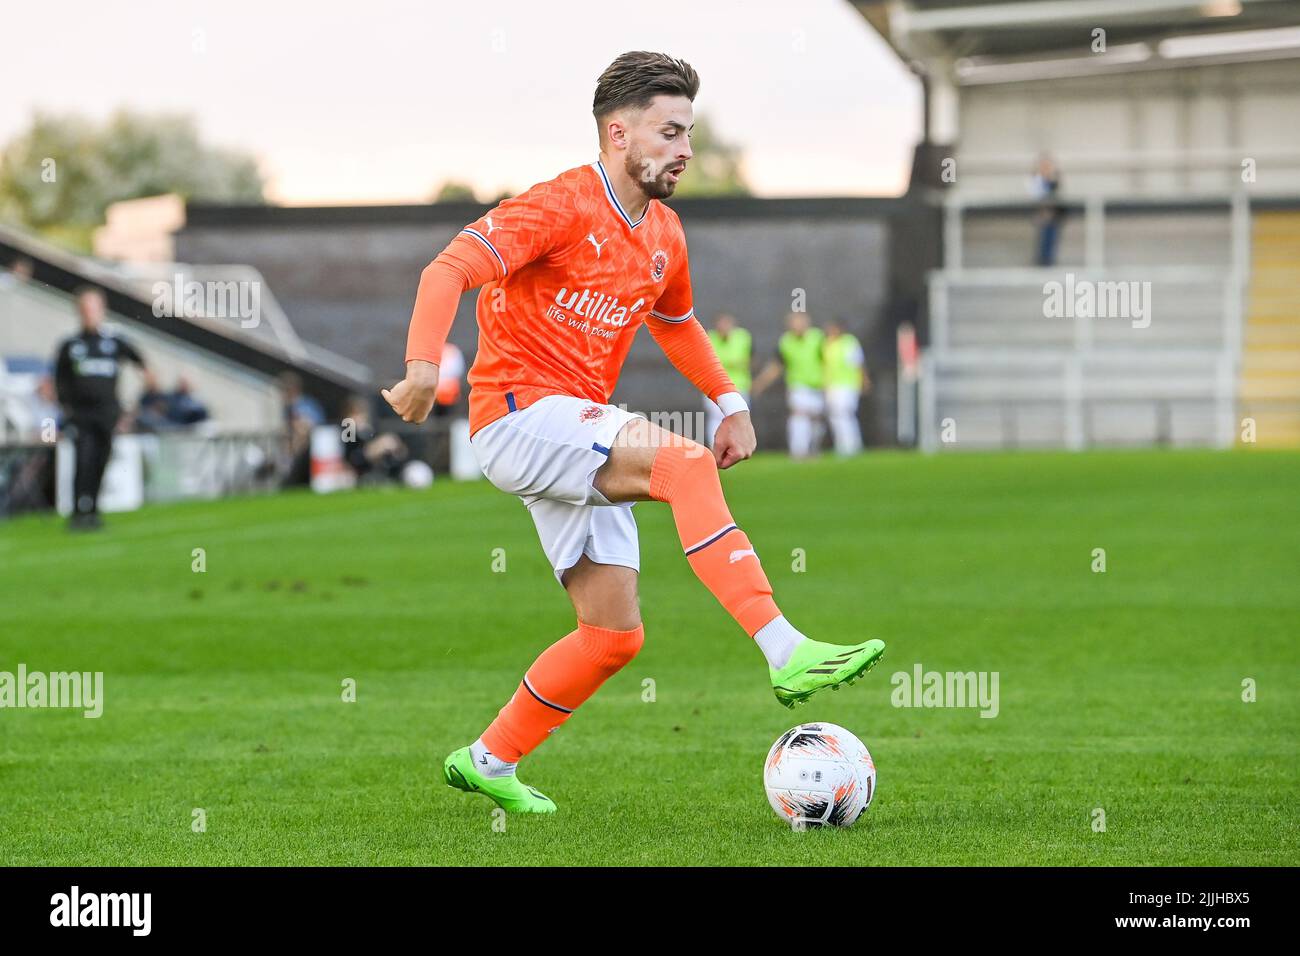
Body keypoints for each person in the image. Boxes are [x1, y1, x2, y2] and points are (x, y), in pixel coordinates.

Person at [382, 51, 886, 815]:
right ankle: (786, 650)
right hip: (518, 414)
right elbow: (445, 270)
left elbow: (675, 321)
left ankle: (487, 758)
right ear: (619, 132)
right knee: (683, 465)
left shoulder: (665, 234)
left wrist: (728, 399)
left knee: (613, 635)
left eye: (689, 132)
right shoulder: (559, 206)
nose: (685, 149)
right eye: (670, 131)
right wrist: (423, 368)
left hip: (570, 427)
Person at [52, 286, 154, 530]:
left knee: (100, 461)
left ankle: (94, 511)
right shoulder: (71, 345)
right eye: (85, 309)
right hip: (80, 415)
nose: (90, 314)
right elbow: (59, 380)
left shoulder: (115, 342)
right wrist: (66, 408)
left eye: (94, 308)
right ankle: (79, 512)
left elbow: (144, 369)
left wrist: (132, 409)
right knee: (82, 460)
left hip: (107, 415)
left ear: (102, 310)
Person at [751, 311, 827, 459]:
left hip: (818, 386)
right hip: (798, 386)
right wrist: (760, 383)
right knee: (799, 416)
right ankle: (798, 452)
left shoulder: (818, 338)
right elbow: (777, 366)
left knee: (816, 421)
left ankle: (813, 449)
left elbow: (828, 361)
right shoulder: (786, 341)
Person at [703, 312, 751, 447]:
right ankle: (716, 448)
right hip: (714, 387)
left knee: (737, 418)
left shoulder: (742, 337)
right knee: (716, 418)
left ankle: (736, 448)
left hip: (738, 385)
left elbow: (748, 359)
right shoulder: (709, 337)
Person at [823, 318, 869, 456]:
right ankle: (842, 444)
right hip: (832, 384)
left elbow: (858, 363)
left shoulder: (849, 342)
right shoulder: (827, 344)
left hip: (847, 384)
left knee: (844, 413)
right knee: (835, 416)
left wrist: (864, 380)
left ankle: (851, 444)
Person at [340, 395, 409, 482]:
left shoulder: (367, 427)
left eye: (362, 413)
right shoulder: (348, 426)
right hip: (357, 459)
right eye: (356, 413)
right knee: (385, 442)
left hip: (370, 457)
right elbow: (351, 452)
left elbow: (374, 439)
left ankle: (396, 471)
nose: (360, 417)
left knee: (390, 442)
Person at [278, 371, 324, 486]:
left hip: (308, 452)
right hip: (292, 454)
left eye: (284, 390)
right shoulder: (286, 408)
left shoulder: (305, 405)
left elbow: (311, 426)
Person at [1030, 153, 1065, 267]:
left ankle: (1048, 259)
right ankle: (1042, 259)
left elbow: (1055, 195)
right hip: (1042, 214)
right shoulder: (1037, 181)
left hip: (1053, 215)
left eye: (1048, 166)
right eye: (1044, 166)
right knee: (1043, 238)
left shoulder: (1053, 181)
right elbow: (1036, 197)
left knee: (1051, 237)